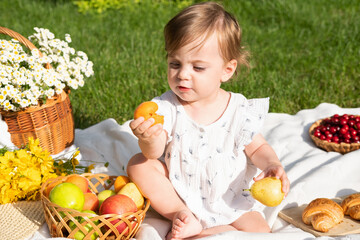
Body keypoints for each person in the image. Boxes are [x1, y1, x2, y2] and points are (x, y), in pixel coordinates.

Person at [127, 2, 290, 239]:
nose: (182, 74)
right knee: (138, 164)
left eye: (198, 67)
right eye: (175, 64)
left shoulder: (238, 109)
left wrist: (272, 164)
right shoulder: (167, 107)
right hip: (180, 193)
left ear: (227, 70)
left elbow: (258, 147)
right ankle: (180, 216)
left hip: (230, 198)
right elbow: (154, 153)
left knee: (261, 231)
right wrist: (148, 138)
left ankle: (216, 231)